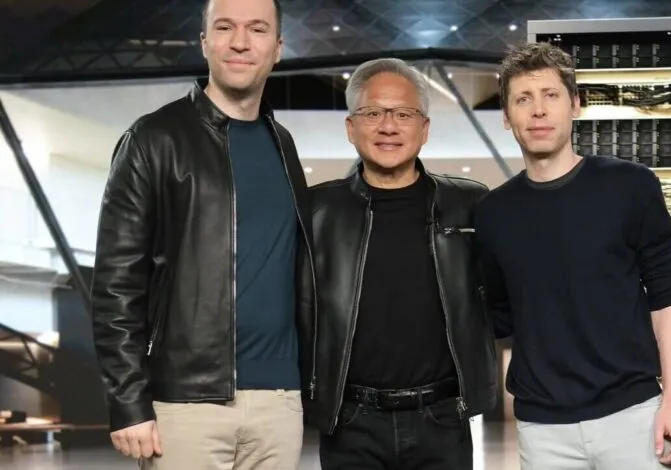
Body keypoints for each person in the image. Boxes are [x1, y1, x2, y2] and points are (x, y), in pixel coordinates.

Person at [89, 0, 315, 468]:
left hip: (279, 402)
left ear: (277, 48)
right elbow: (116, 284)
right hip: (186, 405)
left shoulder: (283, 143)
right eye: (224, 27)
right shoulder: (154, 139)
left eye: (256, 29)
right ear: (204, 42)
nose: (239, 42)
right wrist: (128, 402)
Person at [474, 42, 671, 469]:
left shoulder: (631, 186)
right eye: (523, 99)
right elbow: (501, 314)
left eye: (550, 96)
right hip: (543, 428)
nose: (538, 111)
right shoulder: (492, 212)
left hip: (634, 416)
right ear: (506, 116)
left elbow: (666, 298)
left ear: (574, 105)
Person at [300, 58, 497, 470]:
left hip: (442, 418)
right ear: (351, 127)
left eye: (404, 114)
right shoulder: (316, 210)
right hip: (350, 421)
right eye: (373, 113)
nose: (388, 127)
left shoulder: (470, 204)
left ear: (424, 129)